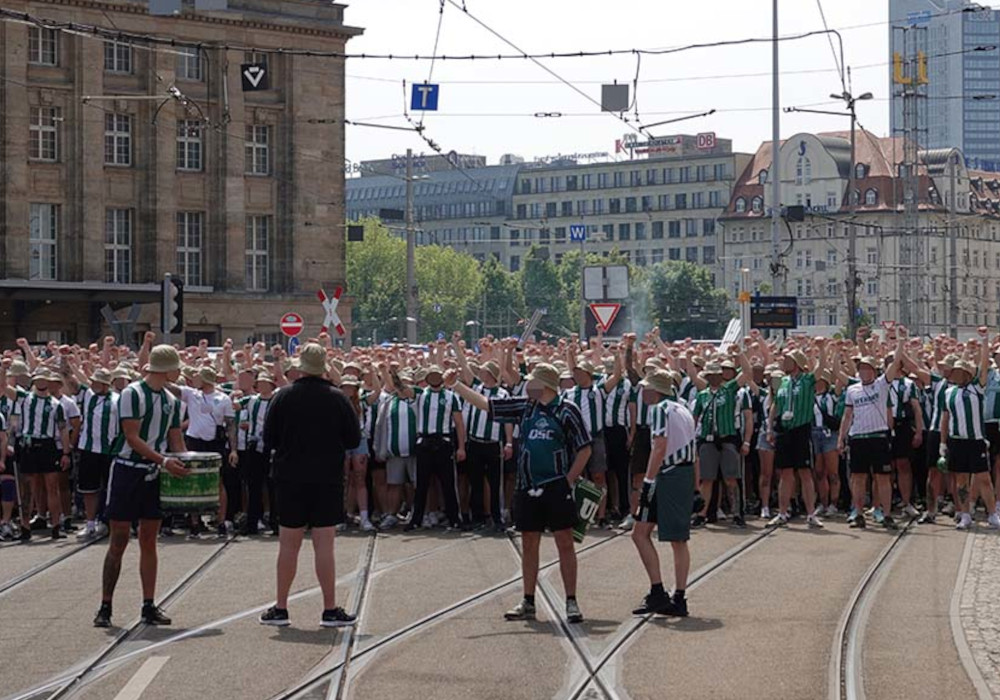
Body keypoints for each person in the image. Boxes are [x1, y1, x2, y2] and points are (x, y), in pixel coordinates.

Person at [449, 363, 592, 625]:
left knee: (564, 542)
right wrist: (455, 385)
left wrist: (568, 480)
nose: (527, 385)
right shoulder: (526, 406)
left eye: (532, 382)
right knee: (528, 542)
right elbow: (487, 405)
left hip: (556, 485)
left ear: (545, 385)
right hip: (527, 485)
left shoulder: (566, 410)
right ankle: (528, 600)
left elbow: (585, 448)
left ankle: (571, 600)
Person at [259, 343, 361, 628]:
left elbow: (269, 439)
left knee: (288, 545)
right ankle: (329, 609)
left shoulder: (282, 397)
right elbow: (353, 440)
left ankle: (280, 607)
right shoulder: (338, 398)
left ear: (300, 367)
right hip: (326, 478)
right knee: (324, 545)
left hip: (289, 476)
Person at [94, 346, 188, 628]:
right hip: (127, 469)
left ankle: (148, 604)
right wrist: (165, 462)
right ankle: (105, 604)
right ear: (166, 369)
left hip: (154, 472)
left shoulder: (172, 401)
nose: (179, 371)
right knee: (119, 538)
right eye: (176, 367)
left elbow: (176, 442)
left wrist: (190, 466)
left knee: (149, 539)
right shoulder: (132, 394)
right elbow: (131, 437)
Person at [630, 370, 697, 617]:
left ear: (655, 390)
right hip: (682, 473)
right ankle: (673, 595)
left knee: (643, 533)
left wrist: (647, 481)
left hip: (667, 474)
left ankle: (663, 593)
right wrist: (696, 484)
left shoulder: (659, 410)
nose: (643, 392)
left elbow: (659, 446)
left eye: (647, 388)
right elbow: (693, 448)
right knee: (669, 537)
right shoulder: (683, 409)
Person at [837, 333, 905, 531]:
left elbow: (894, 364)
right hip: (858, 437)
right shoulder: (852, 390)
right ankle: (858, 513)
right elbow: (847, 415)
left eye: (868, 368)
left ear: (874, 371)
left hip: (878, 436)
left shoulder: (882, 384)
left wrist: (900, 342)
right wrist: (841, 438)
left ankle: (887, 514)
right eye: (862, 369)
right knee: (858, 477)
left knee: (882, 478)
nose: (865, 372)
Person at [940, 327, 1000, 530]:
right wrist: (942, 443)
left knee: (984, 478)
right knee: (961, 481)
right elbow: (945, 418)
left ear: (965, 373)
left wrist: (985, 341)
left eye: (959, 372)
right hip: (957, 440)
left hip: (975, 440)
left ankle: (992, 513)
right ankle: (965, 513)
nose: (955, 375)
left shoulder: (977, 387)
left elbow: (984, 366)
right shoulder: (949, 392)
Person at [767, 345, 826, 528]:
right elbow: (775, 405)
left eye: (789, 359)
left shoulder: (807, 380)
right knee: (785, 473)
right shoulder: (782, 382)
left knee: (805, 472)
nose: (785, 362)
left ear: (797, 363)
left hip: (801, 429)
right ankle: (782, 512)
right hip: (785, 430)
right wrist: (770, 428)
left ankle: (810, 513)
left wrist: (821, 350)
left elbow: (821, 368)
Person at [176, 368, 238, 536]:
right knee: (193, 480)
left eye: (197, 377)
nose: (194, 380)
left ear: (205, 379)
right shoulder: (191, 394)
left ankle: (220, 521)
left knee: (218, 482)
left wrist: (233, 450)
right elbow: (170, 387)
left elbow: (231, 425)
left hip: (215, 443)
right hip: (194, 442)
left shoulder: (223, 398)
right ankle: (195, 522)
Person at [405, 365, 465, 532]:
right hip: (424, 442)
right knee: (422, 484)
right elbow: (402, 389)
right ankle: (416, 519)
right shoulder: (420, 394)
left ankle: (454, 519)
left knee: (448, 484)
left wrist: (461, 447)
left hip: (443, 442)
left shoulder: (451, 396)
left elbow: (459, 423)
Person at [15, 370, 71, 540]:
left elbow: (63, 429)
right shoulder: (24, 398)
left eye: (43, 379)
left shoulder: (56, 404)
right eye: (38, 379)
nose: (40, 382)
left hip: (47, 445)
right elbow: (4, 387)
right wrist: (4, 369)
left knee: (51, 487)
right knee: (27, 489)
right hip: (29, 443)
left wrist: (66, 452)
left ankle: (55, 526)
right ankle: (25, 527)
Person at [74, 368, 118, 540]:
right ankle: (90, 523)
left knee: (111, 488)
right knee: (88, 488)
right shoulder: (88, 395)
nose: (94, 384)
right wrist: (66, 362)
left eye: (97, 381)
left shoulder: (117, 399)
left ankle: (108, 521)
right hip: (89, 448)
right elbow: (71, 381)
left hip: (110, 449)